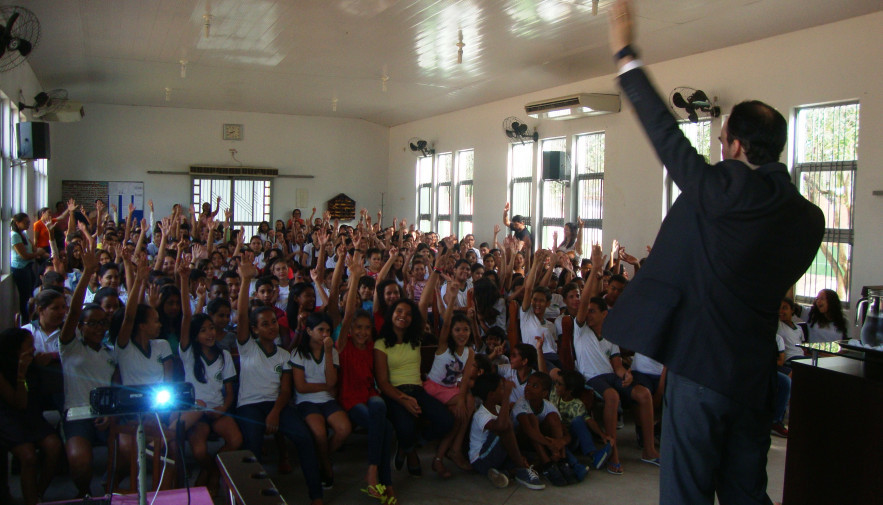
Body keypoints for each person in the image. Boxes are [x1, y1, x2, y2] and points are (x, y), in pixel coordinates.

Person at [603, 2, 825, 503]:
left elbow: (666, 137)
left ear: (739, 147)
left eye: (723, 141)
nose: (719, 149)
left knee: (687, 493)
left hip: (701, 371)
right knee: (747, 493)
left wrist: (626, 55)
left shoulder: (727, 191)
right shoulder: (809, 219)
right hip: (753, 378)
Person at [0, 328, 63, 505]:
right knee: (28, 456)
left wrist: (47, 359)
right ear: (15, 350)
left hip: (31, 416)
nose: (33, 349)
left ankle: (37, 494)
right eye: (29, 346)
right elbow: (18, 403)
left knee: (54, 445)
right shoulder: (4, 370)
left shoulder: (34, 364)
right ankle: (31, 500)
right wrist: (21, 374)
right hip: (8, 417)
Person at [11, 213, 48, 319]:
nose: (28, 224)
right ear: (17, 223)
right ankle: (26, 319)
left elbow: (33, 248)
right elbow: (24, 256)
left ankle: (31, 315)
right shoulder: (15, 236)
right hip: (20, 269)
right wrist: (38, 253)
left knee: (32, 292)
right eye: (26, 222)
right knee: (25, 296)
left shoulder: (23, 234)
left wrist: (41, 253)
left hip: (28, 266)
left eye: (29, 222)